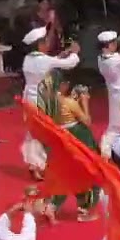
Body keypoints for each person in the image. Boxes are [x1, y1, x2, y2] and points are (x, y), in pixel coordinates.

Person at [20, 27, 80, 179]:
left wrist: (62, 54)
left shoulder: (28, 58)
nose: (47, 43)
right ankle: (42, 165)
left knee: (32, 133)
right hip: (41, 100)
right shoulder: (44, 60)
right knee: (45, 133)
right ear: (39, 44)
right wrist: (74, 52)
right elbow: (69, 64)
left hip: (29, 98)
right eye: (45, 41)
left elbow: (52, 62)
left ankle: (34, 164)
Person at [44, 76, 102, 222]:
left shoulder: (48, 103)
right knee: (92, 173)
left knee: (66, 175)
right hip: (78, 139)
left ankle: (52, 206)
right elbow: (87, 121)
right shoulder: (69, 103)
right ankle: (87, 210)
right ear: (62, 85)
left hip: (61, 141)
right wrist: (84, 102)